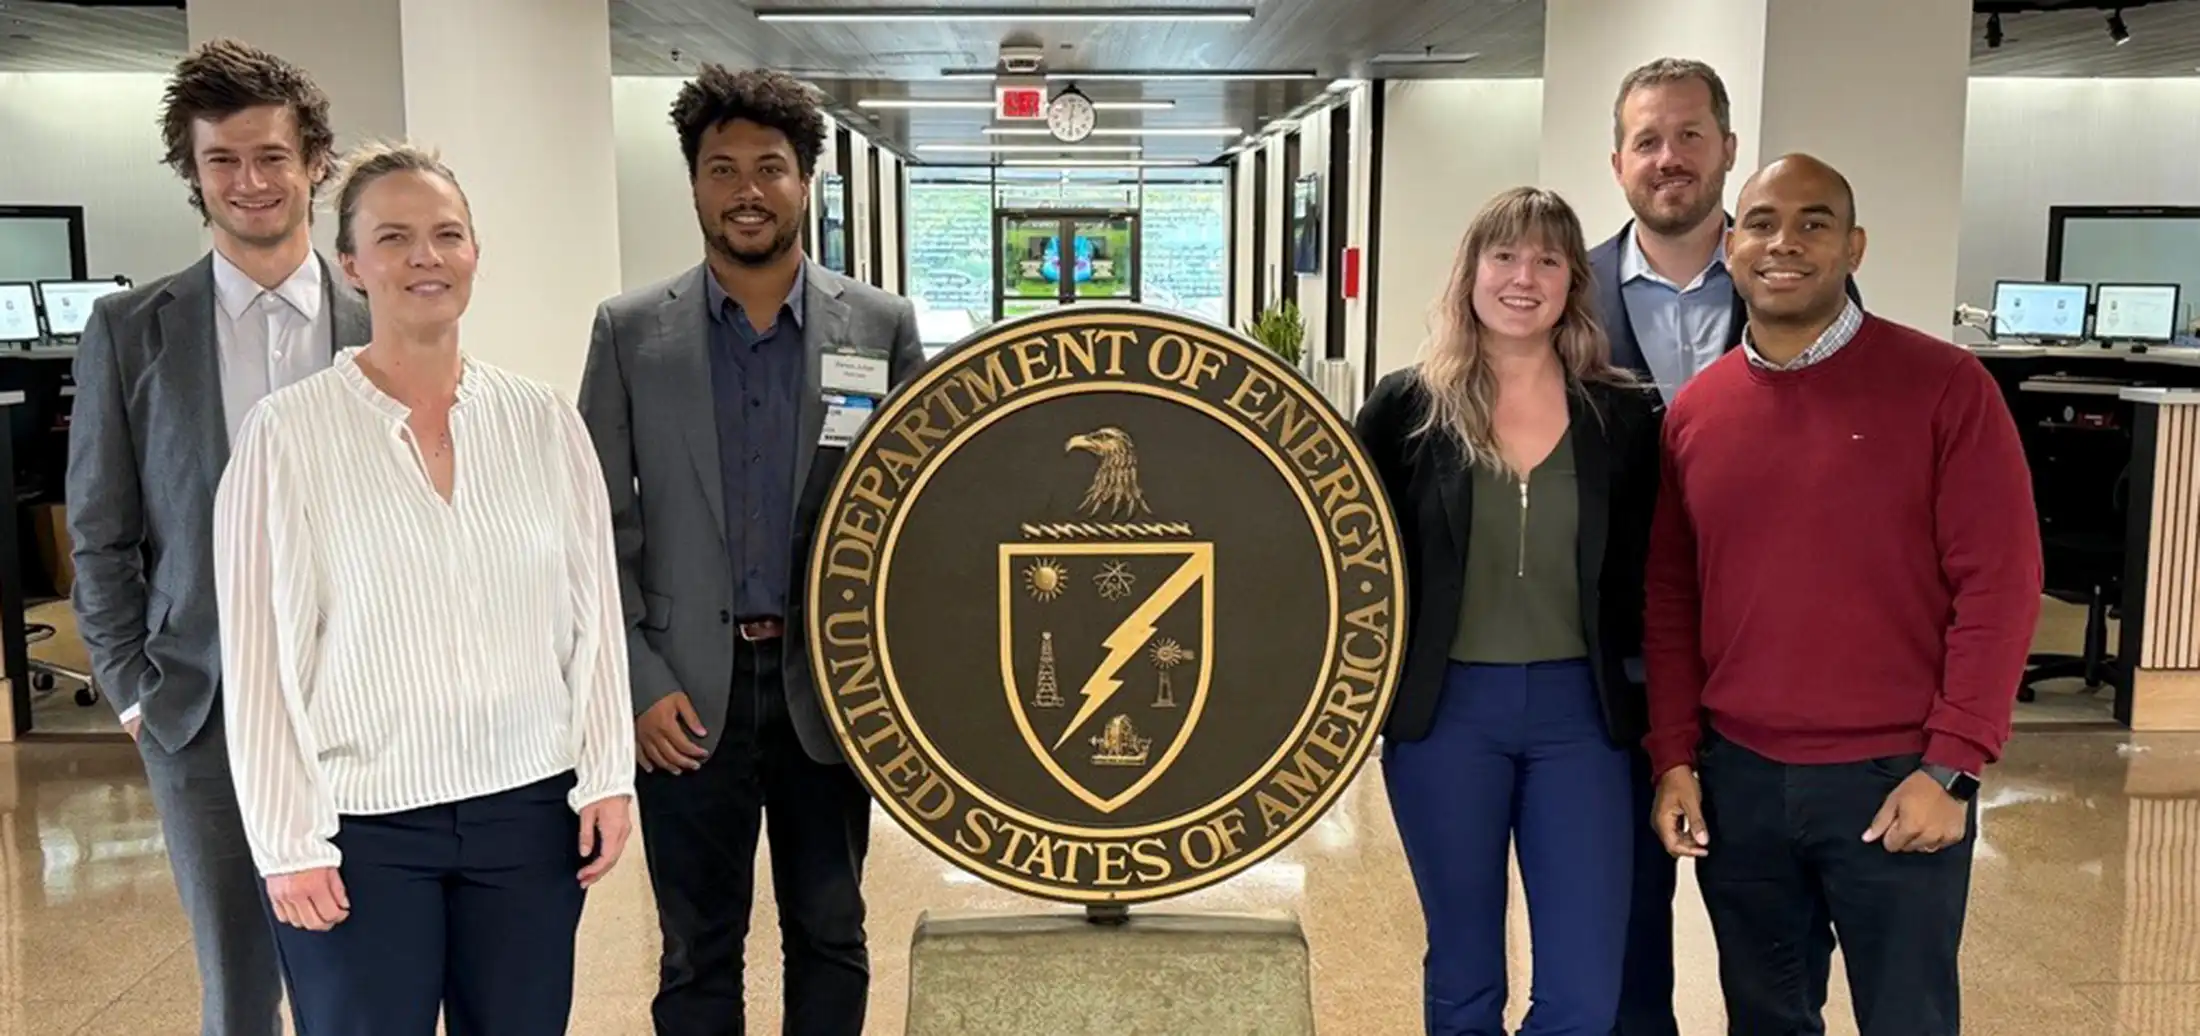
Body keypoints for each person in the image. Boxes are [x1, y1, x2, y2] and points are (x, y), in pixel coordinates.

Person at [210, 142, 637, 1034]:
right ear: (352, 264)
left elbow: (591, 613)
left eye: (447, 234)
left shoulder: (544, 421)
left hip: (528, 813)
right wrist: (288, 841)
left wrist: (604, 772)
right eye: (394, 237)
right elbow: (260, 659)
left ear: (475, 254)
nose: (425, 258)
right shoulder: (286, 435)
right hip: (362, 829)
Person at [1642, 153, 2042, 1036]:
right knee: (1765, 1017)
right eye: (1761, 223)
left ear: (1853, 246)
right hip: (1739, 779)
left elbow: (2002, 585)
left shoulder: (1946, 388)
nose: (1785, 242)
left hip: (1895, 778)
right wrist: (1674, 754)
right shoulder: (1698, 412)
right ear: (1730, 246)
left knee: (1908, 1018)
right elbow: (1672, 600)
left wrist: (1952, 765)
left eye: (1815, 223)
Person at [576, 65, 924, 1036]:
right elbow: (595, 526)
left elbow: (915, 519)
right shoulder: (631, 332)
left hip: (829, 687)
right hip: (685, 693)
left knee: (831, 929)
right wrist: (638, 680)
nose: (746, 190)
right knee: (696, 947)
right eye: (721, 168)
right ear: (692, 183)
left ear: (805, 182)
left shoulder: (882, 328)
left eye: (769, 167)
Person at [65, 38, 364, 1036]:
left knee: (368, 977)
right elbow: (100, 531)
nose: (251, 182)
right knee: (239, 993)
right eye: (223, 161)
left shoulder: (378, 319)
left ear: (314, 161)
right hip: (201, 709)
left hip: (367, 700)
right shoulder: (129, 329)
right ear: (193, 174)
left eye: (272, 156)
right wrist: (131, 688)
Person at [1586, 59, 1860, 1036]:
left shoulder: (1808, 287)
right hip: (1611, 674)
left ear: (1728, 150)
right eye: (1648, 140)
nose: (1670, 159)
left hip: (1771, 675)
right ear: (1615, 160)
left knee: (1772, 949)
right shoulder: (1559, 299)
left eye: (1690, 136)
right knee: (1620, 939)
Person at [1355, 187, 1664, 1036]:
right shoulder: (1405, 407)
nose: (1523, 277)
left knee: (1585, 983)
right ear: (1470, 273)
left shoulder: (1626, 416)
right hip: (1446, 718)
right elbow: (1350, 565)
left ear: (1573, 282)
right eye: (1504, 256)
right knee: (1462, 970)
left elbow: (1656, 584)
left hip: (1585, 721)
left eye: (1548, 260)